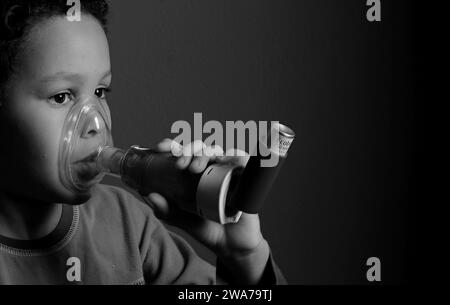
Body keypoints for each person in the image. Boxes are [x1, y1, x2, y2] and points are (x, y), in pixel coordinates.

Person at [0, 0, 286, 284]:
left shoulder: (128, 225)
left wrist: (244, 256)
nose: (94, 124)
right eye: (61, 96)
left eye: (100, 91)